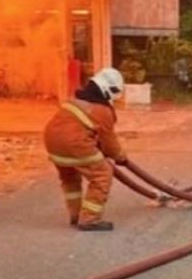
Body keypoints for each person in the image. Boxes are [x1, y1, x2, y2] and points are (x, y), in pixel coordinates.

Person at [43, 66, 128, 231]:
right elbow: (108, 141)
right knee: (102, 174)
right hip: (75, 145)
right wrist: (120, 157)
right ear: (108, 90)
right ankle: (89, 219)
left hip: (52, 143)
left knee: (70, 177)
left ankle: (75, 215)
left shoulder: (74, 100)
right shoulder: (102, 110)